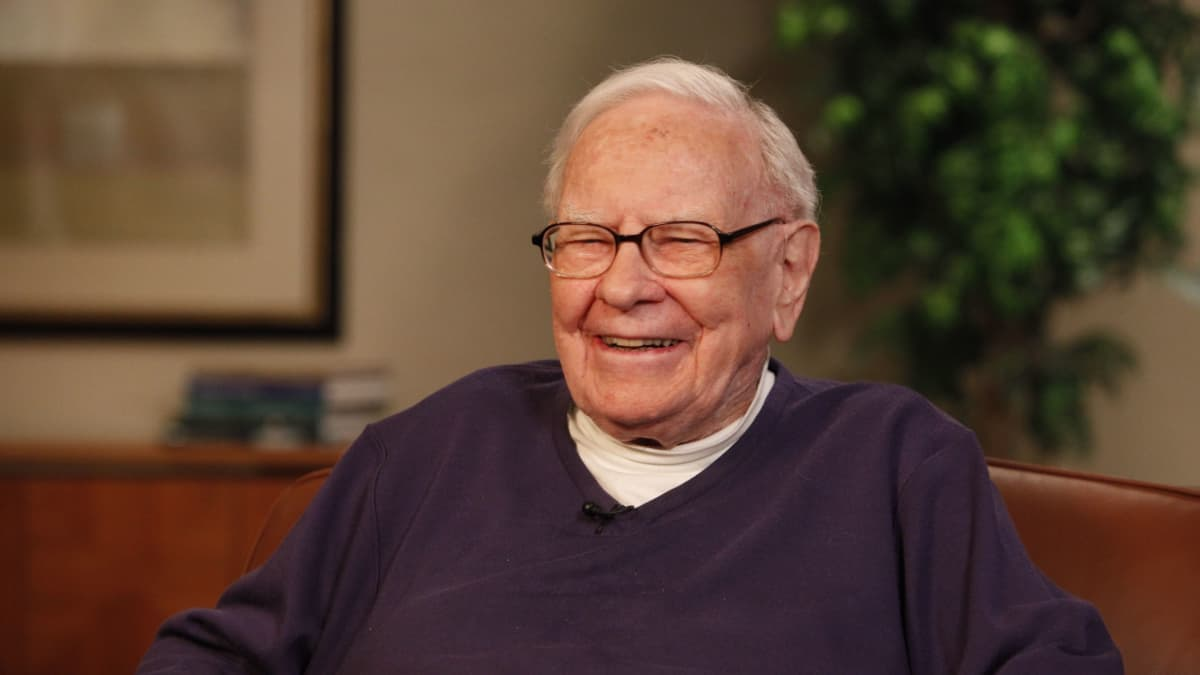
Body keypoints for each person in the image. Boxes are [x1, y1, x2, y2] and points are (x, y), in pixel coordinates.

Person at [138, 57, 1121, 673]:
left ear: (789, 271)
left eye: (682, 240)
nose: (622, 286)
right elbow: (211, 658)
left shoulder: (894, 464)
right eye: (587, 239)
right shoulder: (426, 453)